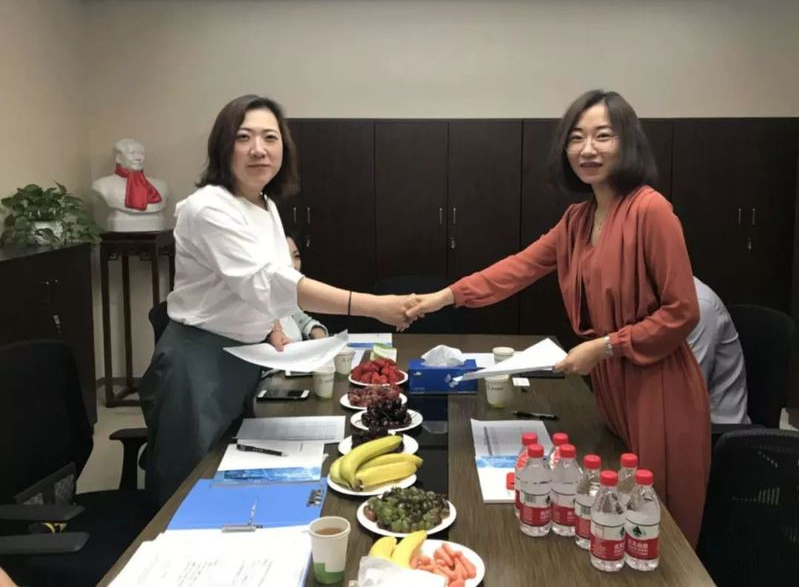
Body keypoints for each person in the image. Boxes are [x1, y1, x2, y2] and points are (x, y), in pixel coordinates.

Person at [407, 90, 711, 546]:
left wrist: (607, 346)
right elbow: (517, 269)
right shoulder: (578, 219)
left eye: (602, 136)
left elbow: (682, 311)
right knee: (612, 508)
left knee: (655, 522)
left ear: (627, 142)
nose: (587, 149)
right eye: (576, 138)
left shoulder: (651, 210)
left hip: (658, 384)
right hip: (610, 381)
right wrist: (442, 298)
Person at [140, 95, 417, 505]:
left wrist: (270, 323)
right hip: (197, 361)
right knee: (187, 484)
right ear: (223, 146)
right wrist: (373, 306)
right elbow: (270, 281)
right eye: (244, 137)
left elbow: (251, 281)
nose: (259, 149)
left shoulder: (264, 203)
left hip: (244, 355)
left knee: (229, 472)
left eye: (270, 137)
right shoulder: (207, 207)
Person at [688, 276, 750, 424]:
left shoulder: (698, 305)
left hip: (715, 429)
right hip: (677, 419)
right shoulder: (647, 299)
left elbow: (685, 396)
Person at [91, 138, 169, 231]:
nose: (139, 158)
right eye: (132, 153)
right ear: (118, 158)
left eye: (141, 153)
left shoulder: (161, 185)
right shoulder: (102, 185)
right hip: (120, 231)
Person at [279, 230, 328, 341]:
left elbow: (306, 323)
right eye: (285, 257)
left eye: (296, 256)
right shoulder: (254, 306)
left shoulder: (286, 298)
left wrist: (319, 336)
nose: (293, 265)